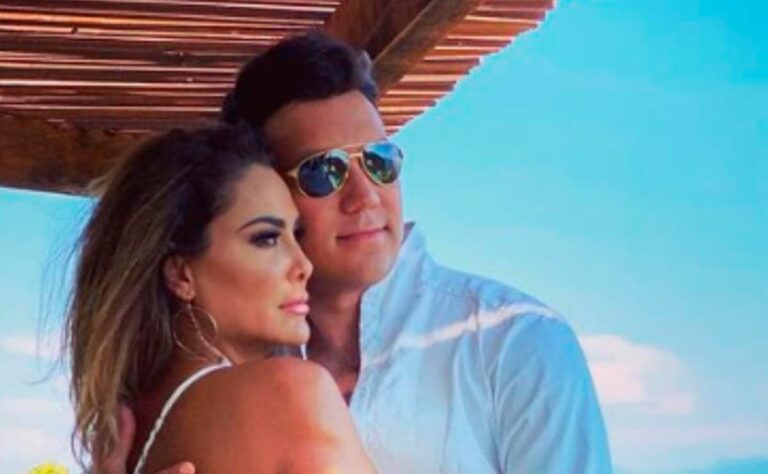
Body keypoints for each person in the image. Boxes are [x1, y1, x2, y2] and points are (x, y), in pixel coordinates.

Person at [107, 32, 612, 473]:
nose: (365, 195)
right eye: (322, 171)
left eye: (379, 160)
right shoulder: (225, 385)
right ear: (268, 193)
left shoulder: (516, 342)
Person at [66, 125, 376, 473]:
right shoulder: (291, 394)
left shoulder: (131, 430)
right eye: (266, 238)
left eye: (297, 234)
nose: (304, 265)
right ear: (181, 274)